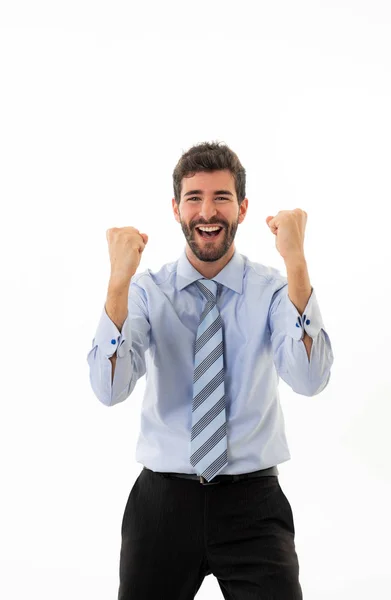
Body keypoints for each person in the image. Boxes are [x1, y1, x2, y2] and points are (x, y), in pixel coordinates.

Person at [87, 141, 334, 599]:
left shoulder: (273, 290)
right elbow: (109, 388)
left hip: (253, 504)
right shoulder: (146, 291)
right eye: (194, 198)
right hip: (161, 504)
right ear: (176, 209)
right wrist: (117, 281)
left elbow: (309, 377)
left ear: (241, 207)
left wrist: (296, 261)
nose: (207, 211)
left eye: (221, 197)